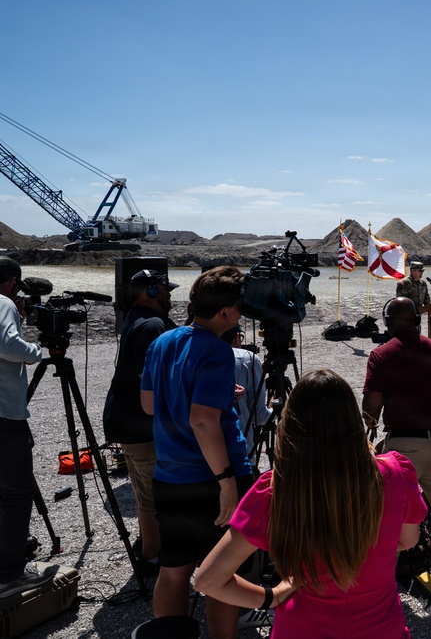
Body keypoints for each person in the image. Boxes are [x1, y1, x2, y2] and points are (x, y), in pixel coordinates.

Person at [195, 369, 427, 639]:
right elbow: (407, 541)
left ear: (292, 426)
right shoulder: (396, 474)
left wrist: (271, 596)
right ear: (353, 421)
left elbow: (208, 580)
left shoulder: (276, 491)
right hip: (380, 628)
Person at [140, 266, 253, 639]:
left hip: (169, 475)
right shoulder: (218, 351)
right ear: (224, 312)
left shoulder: (163, 342)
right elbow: (203, 422)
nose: (240, 315)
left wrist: (212, 396)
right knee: (223, 572)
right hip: (210, 477)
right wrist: (225, 482)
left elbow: (150, 405)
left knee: (173, 569)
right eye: (238, 309)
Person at [362, 297, 431, 566]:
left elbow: (371, 406)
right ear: (418, 322)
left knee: (391, 512)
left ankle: (385, 573)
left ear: (387, 323)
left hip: (404, 449)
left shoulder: (381, 355)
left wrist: (371, 419)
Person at [102, 268, 179, 570]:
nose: (169, 295)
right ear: (151, 292)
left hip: (131, 423)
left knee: (144, 491)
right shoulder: (151, 325)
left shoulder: (138, 318)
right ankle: (152, 556)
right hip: (142, 425)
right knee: (152, 496)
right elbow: (150, 380)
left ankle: (151, 546)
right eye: (164, 289)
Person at [0, 256, 60, 598]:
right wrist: (36, 351)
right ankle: (9, 574)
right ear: (10, 281)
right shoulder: (3, 301)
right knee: (15, 494)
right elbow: (7, 346)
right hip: (5, 416)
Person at [221, 324, 271, 454]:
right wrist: (275, 409)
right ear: (237, 337)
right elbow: (258, 417)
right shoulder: (246, 358)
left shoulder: (196, 355)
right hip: (241, 451)